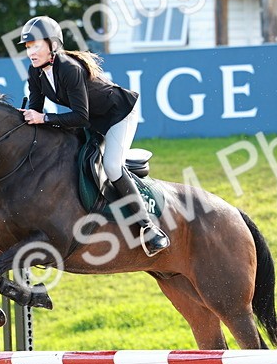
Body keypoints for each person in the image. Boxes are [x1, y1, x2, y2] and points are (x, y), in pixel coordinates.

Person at [19, 15, 170, 255]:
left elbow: (80, 117)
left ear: (53, 45)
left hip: (118, 114)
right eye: (28, 47)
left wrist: (44, 118)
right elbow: (35, 109)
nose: (31, 52)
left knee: (112, 166)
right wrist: (23, 118)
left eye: (36, 45)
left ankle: (149, 228)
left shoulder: (69, 68)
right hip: (91, 119)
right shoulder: (35, 71)